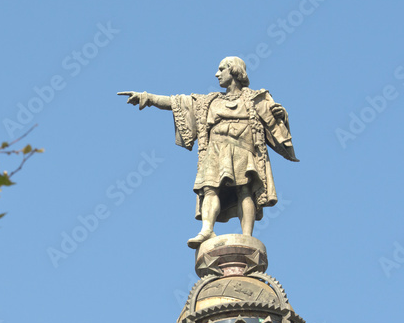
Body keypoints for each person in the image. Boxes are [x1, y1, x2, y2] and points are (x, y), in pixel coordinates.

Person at [118, 57, 297, 248]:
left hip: (244, 149)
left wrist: (281, 116)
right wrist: (148, 98)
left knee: (245, 189)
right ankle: (206, 230)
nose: (217, 74)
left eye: (221, 69)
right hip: (216, 150)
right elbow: (177, 102)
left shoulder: (256, 99)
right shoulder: (209, 101)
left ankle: (247, 236)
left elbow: (277, 127)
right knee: (210, 188)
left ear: (234, 71)